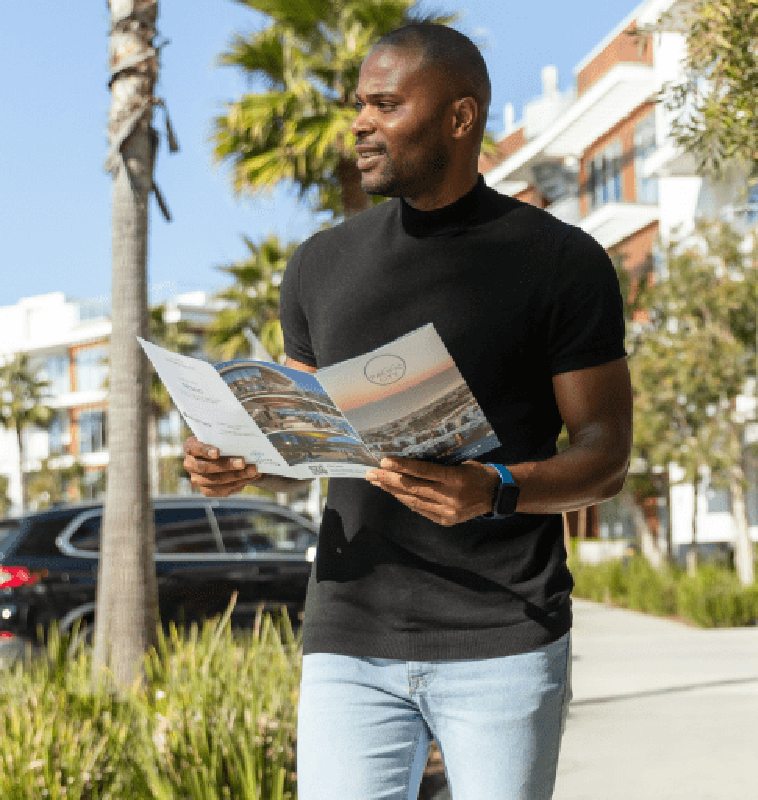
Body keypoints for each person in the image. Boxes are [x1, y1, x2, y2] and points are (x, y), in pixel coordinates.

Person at [182, 22, 632, 800]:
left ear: (460, 118)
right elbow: (306, 445)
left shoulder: (560, 261)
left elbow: (606, 454)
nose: (360, 122)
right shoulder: (320, 264)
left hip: (503, 634)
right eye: (359, 104)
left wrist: (496, 490)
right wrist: (242, 459)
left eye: (385, 104)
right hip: (349, 640)